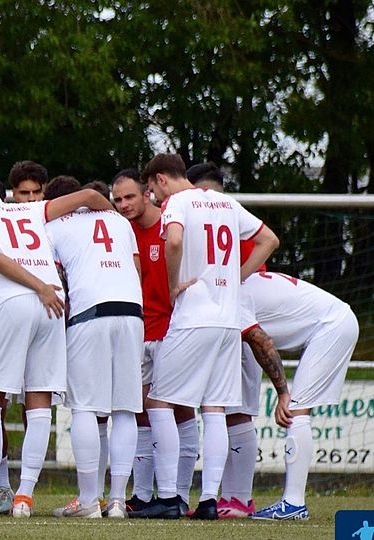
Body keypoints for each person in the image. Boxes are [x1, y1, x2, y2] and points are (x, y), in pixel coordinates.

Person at [0, 161, 113, 519]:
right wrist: (113, 225)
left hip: (15, 301)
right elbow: (92, 195)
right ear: (13, 195)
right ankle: (24, 497)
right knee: (40, 401)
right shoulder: (38, 212)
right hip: (53, 305)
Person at [138, 153, 278, 520]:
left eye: (151, 187)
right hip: (228, 319)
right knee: (214, 407)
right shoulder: (227, 203)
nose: (152, 195)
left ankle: (168, 496)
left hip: (194, 315)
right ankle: (211, 500)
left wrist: (173, 287)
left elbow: (173, 242)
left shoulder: (178, 202)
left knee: (159, 402)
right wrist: (237, 277)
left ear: (161, 180)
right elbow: (269, 240)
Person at [186, 163, 291, 519]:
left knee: (237, 411)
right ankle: (226, 496)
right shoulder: (212, 218)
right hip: (217, 317)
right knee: (218, 409)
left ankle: (239, 497)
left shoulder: (232, 217)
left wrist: (236, 277)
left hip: (241, 318)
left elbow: (269, 241)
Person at [46, 180, 143, 519]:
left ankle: (89, 501)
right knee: (125, 409)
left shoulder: (54, 225)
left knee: (85, 408)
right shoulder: (119, 221)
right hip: (133, 311)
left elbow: (53, 278)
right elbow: (136, 269)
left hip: (90, 313)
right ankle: (117, 501)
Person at [111, 170, 195, 516]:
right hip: (137, 330)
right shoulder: (120, 232)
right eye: (117, 199)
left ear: (147, 192)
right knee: (141, 410)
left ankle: (179, 495)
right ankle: (143, 495)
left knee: (180, 409)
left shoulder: (172, 226)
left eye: (129, 197)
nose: (123, 205)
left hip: (172, 330)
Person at [246, 272, 358, 521]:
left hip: (332, 326)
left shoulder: (234, 293)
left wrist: (283, 393)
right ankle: (293, 502)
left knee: (296, 410)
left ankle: (294, 503)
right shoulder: (244, 281)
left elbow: (262, 343)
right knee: (298, 410)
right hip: (334, 322)